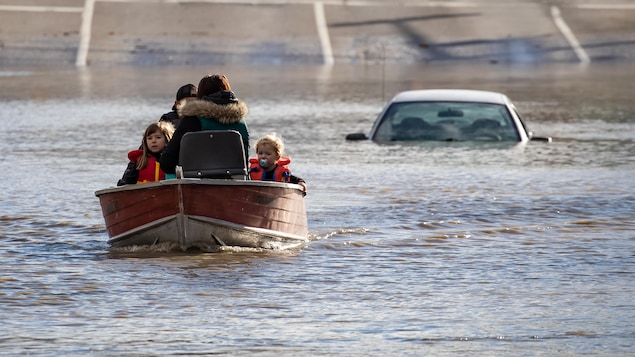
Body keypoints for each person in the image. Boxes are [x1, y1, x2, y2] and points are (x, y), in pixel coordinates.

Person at [159, 74, 250, 175]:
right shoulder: (241, 122)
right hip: (236, 184)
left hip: (199, 184)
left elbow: (166, 163)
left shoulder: (193, 119)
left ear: (201, 95)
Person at [117, 121, 175, 185]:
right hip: (144, 193)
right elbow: (128, 182)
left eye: (158, 137)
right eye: (149, 138)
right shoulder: (140, 161)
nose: (153, 141)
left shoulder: (173, 159)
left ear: (167, 140)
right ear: (145, 142)